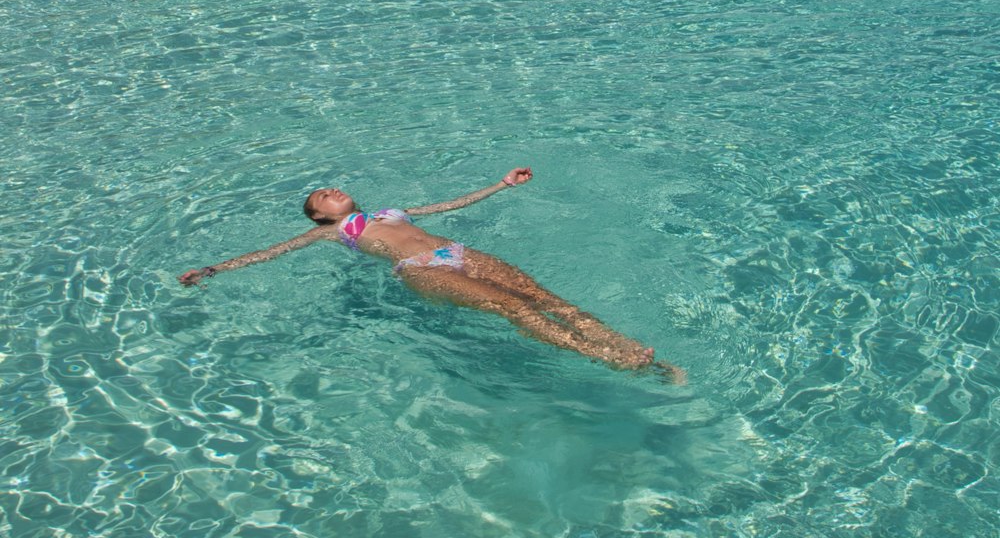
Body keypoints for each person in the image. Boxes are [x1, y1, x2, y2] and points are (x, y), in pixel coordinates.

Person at [179, 167, 684, 380]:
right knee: (513, 307)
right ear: (319, 216)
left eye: (332, 187)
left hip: (456, 250)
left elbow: (450, 203)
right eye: (321, 197)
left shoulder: (391, 213)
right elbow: (274, 251)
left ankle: (623, 345)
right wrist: (214, 269)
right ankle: (608, 358)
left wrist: (500, 186)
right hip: (419, 269)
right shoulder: (331, 232)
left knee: (545, 296)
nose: (331, 191)